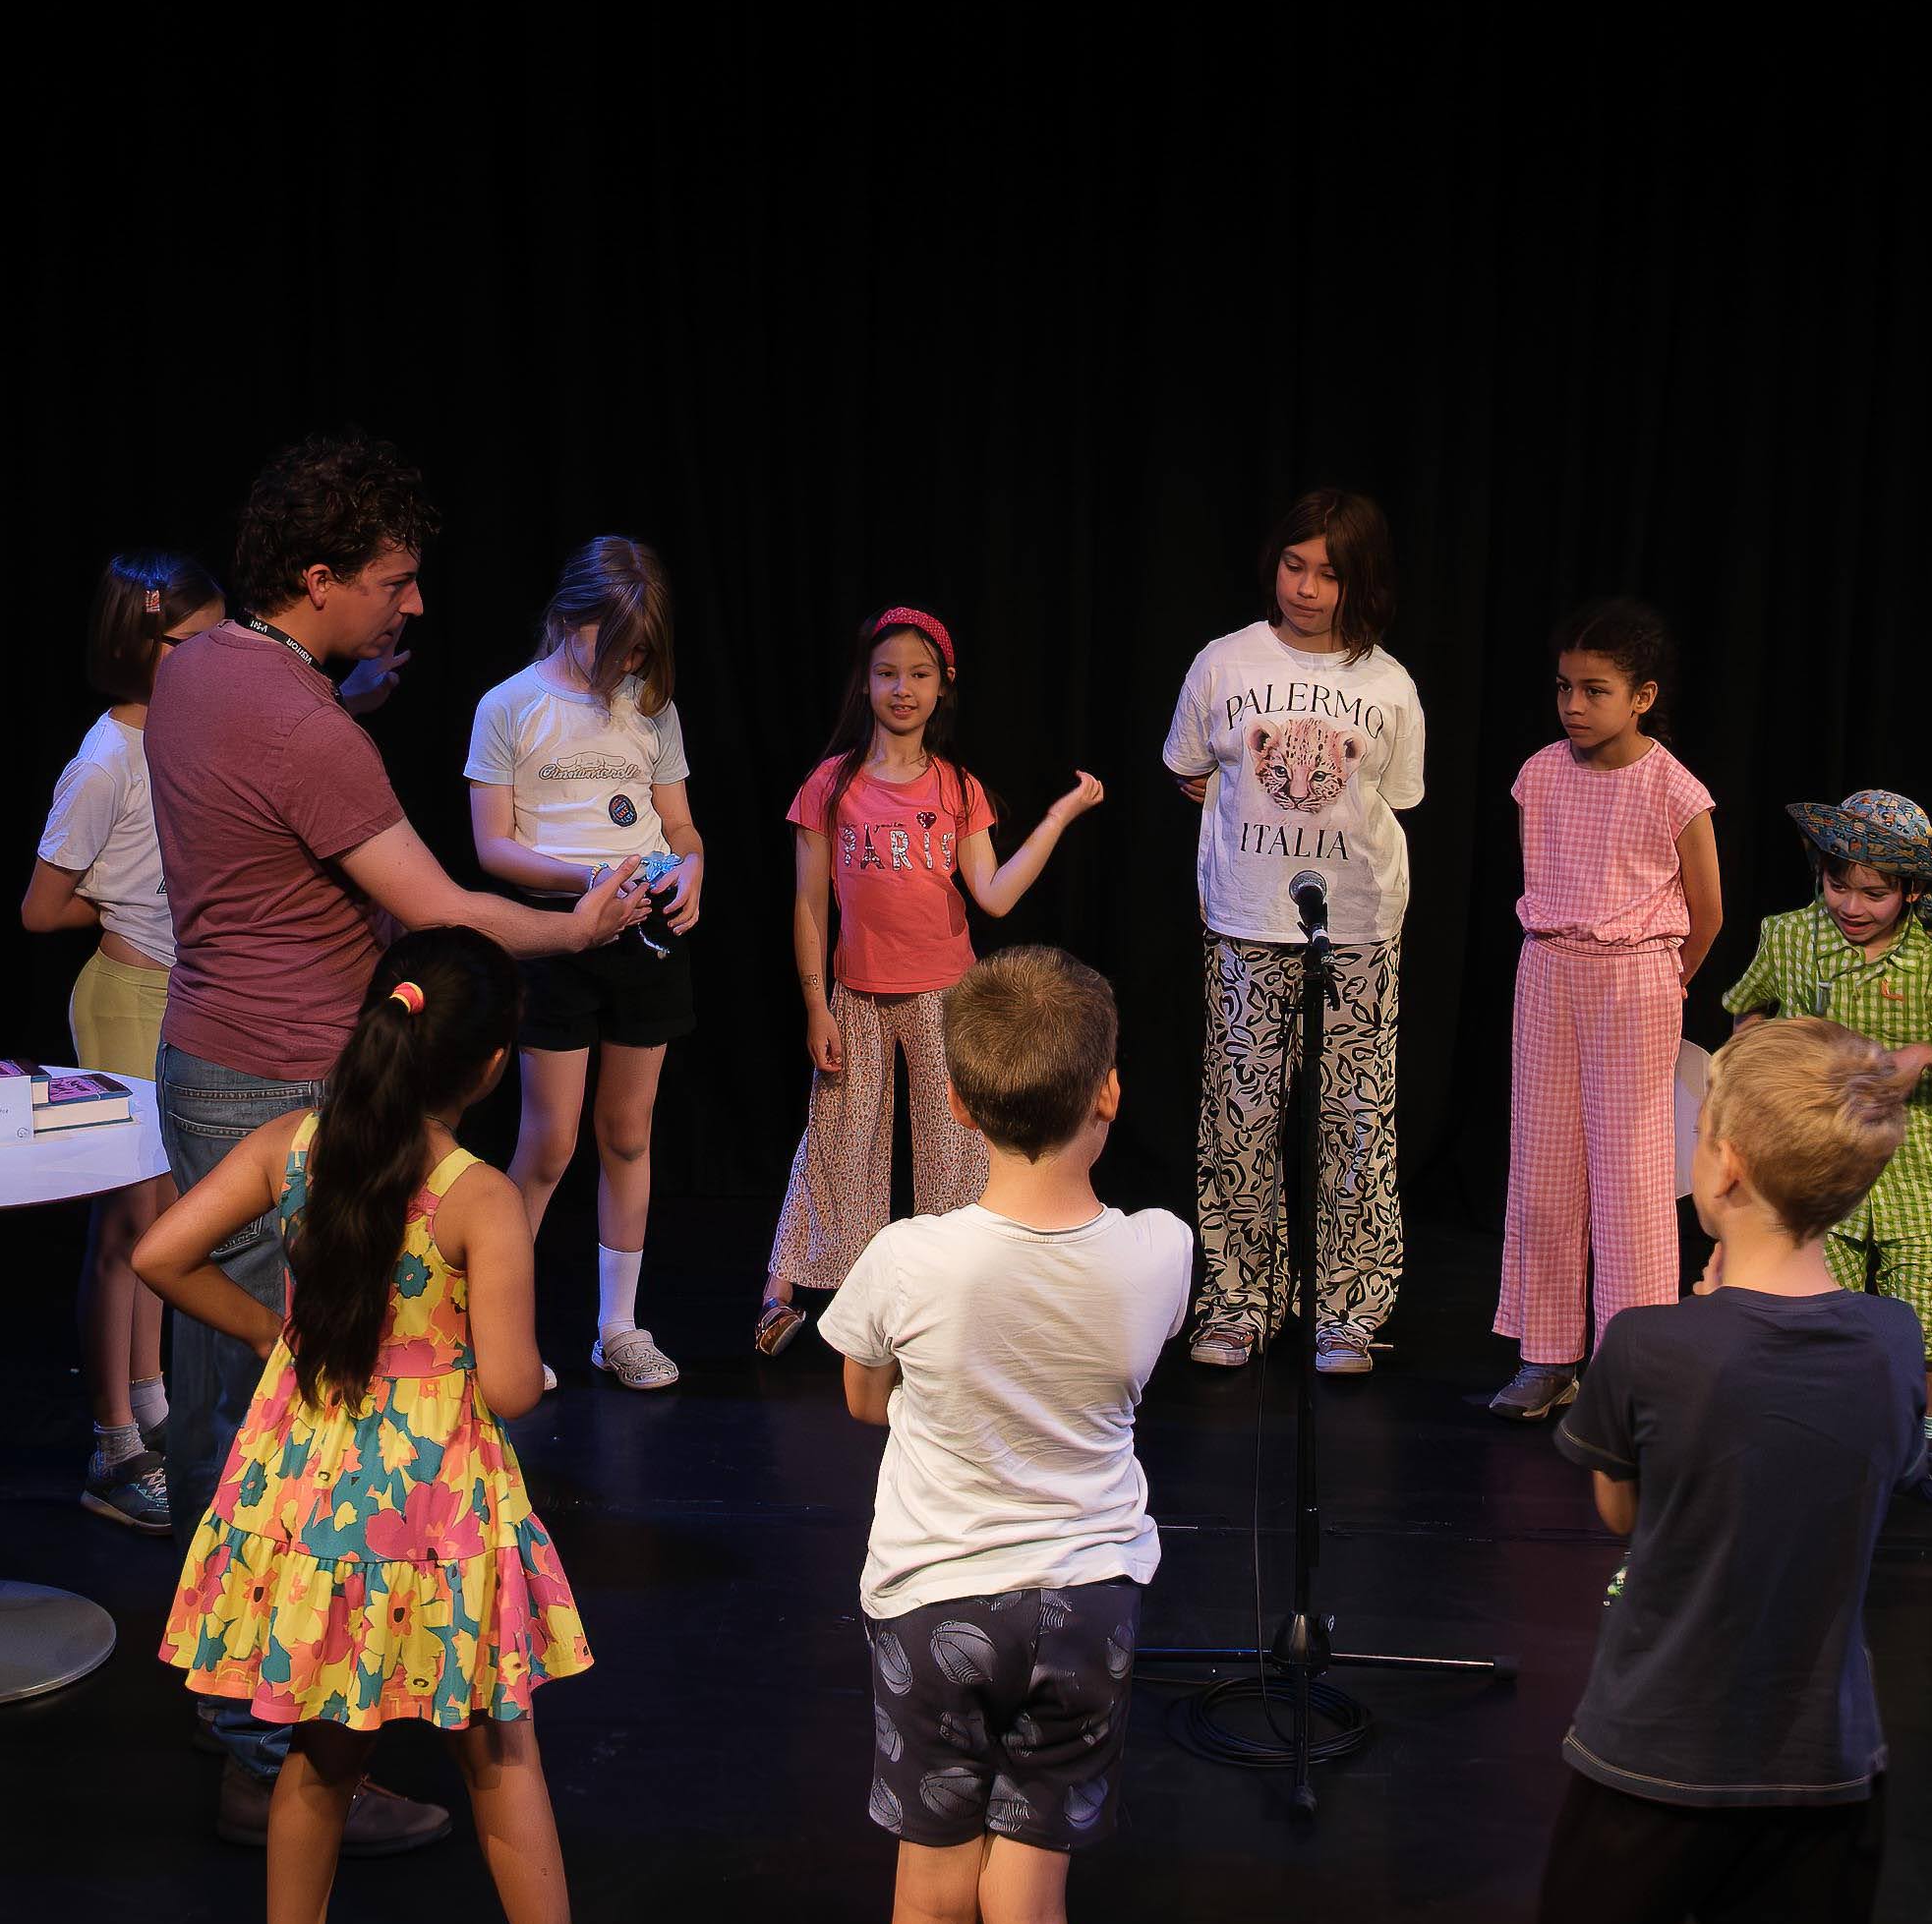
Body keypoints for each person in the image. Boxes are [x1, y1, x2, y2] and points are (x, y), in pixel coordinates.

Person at [154, 432, 664, 1853]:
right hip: (276, 1079)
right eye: (392, 581)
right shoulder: (303, 731)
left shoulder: (200, 662)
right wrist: (572, 929)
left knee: (237, 1397)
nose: (415, 604)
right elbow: (437, 903)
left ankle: (266, 1708)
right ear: (319, 580)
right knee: (267, 1409)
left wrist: (341, 690)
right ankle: (268, 1743)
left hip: (209, 1053)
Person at [1460, 1017, 1932, 1924]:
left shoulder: (1651, 1346)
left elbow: (1619, 1507)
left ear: (1717, 1167)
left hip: (1649, 1762)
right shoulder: (1889, 1343)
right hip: (1813, 1760)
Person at [139, 927, 663, 1924]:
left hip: (315, 1488)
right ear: (487, 1066)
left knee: (324, 1739)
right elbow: (515, 1383)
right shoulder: (478, 1196)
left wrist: (276, 1332)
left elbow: (165, 1253)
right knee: (496, 1741)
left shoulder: (294, 1145)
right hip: (433, 1499)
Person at [823, 947, 1193, 1924]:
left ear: (963, 1111)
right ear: (1106, 1095)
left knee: (931, 1904)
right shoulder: (1160, 1249)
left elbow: (866, 1397)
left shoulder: (905, 1257)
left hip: (936, 1610)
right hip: (1086, 1608)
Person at [755, 608, 1104, 1354]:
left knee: (958, 1150)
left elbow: (996, 895)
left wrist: (1058, 817)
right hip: (856, 995)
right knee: (837, 1143)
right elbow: (809, 906)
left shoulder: (957, 787)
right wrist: (817, 1007)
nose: (902, 689)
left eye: (918, 675)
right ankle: (781, 1297)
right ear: (867, 684)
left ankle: (966, 1299)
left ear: (943, 687)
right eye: (887, 674)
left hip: (946, 994)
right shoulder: (832, 784)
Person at [1160, 490, 1431, 1374]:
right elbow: (1188, 768)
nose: (1308, 589)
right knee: (1241, 1115)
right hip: (1245, 919)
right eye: (1295, 565)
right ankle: (1240, 1300)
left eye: (1330, 573)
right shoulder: (1225, 662)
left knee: (1356, 1119)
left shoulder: (1387, 683)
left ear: (1363, 583)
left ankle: (1348, 1309)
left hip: (1355, 928)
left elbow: (1391, 799)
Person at [464, 535, 710, 1393]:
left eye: (642, 650)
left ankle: (619, 1328)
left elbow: (679, 828)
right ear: (571, 619)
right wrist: (586, 886)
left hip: (644, 933)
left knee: (628, 1133)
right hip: (555, 938)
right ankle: (496, 1335)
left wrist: (692, 866)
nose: (630, 664)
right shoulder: (509, 706)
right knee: (549, 1143)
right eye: (616, 645)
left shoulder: (651, 706)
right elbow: (493, 846)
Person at [1716, 790, 1932, 1503]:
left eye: (1874, 892)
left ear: (1909, 892)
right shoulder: (1787, 937)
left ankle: (1931, 1433)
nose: (1852, 904)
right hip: (1819, 1165)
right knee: (1822, 1312)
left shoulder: (1931, 971)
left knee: (1920, 1323)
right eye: (1838, 884)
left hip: (1906, 1172)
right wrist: (1755, 1051)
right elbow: (1748, 1008)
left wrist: (1929, 1055)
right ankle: (1829, 1433)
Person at [18, 552, 218, 1531]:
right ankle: (112, 1448)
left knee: (167, 1223)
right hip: (124, 995)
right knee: (128, 1232)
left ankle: (151, 1409)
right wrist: (127, 905)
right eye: (195, 641)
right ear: (141, 641)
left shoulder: (190, 731)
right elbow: (39, 906)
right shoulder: (103, 758)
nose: (214, 658)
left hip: (183, 993)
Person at [1485, 600, 1721, 1421]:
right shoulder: (1541, 773)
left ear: (1642, 696)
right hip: (1550, 970)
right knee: (1545, 1166)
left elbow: (1708, 908)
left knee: (1632, 1177)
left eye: (1595, 690)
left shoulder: (1672, 786)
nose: (1574, 706)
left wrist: (1665, 975)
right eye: (1564, 689)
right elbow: (1547, 879)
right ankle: (1546, 1356)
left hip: (1635, 979)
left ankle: (1631, 1370)